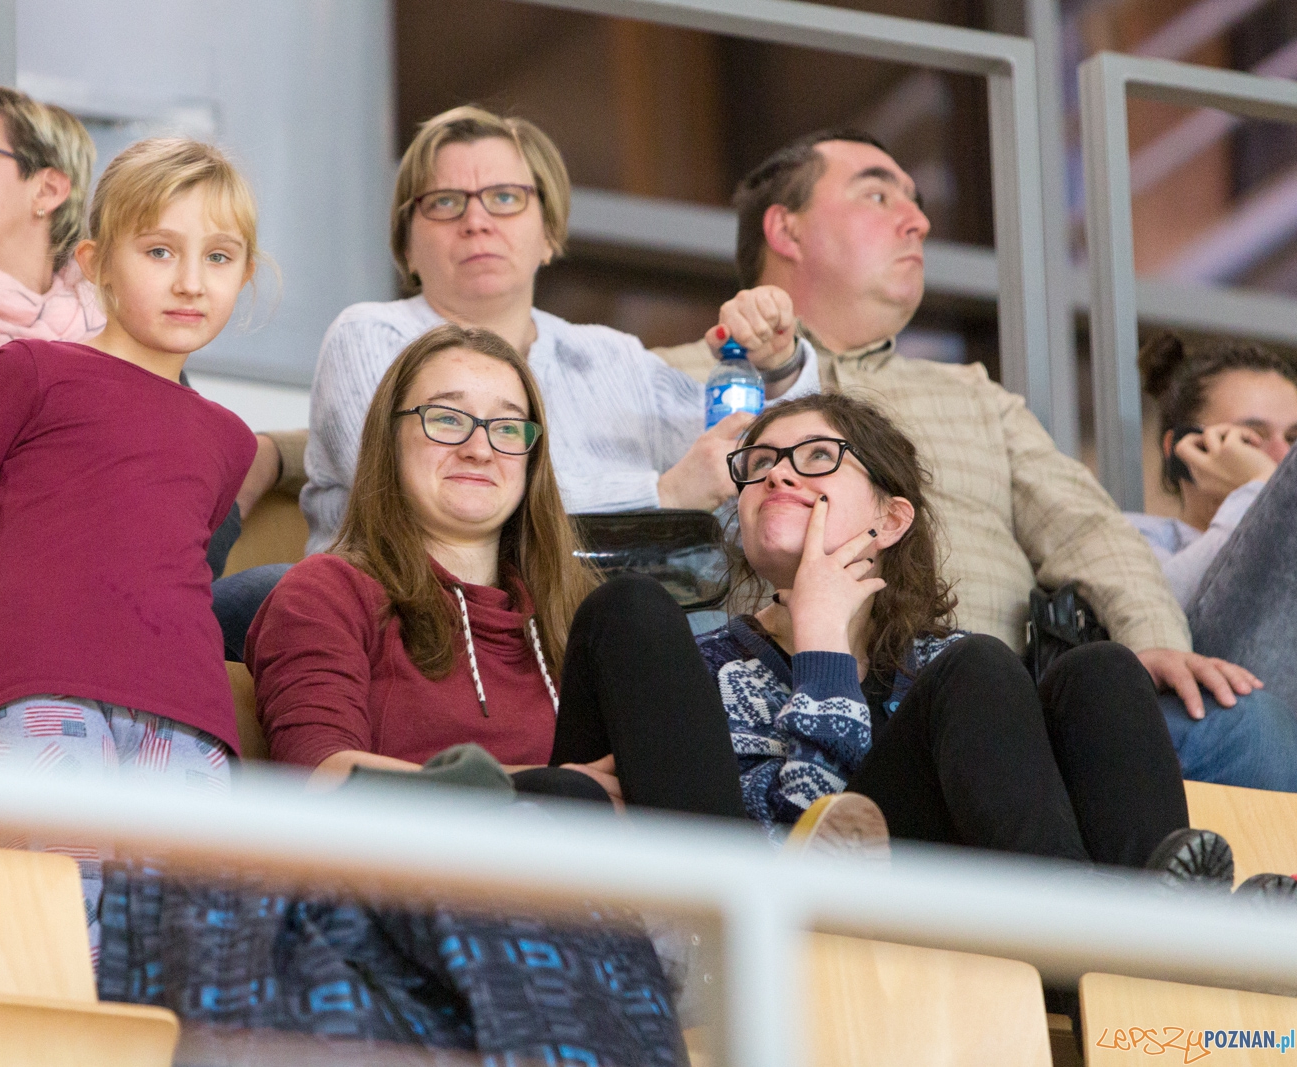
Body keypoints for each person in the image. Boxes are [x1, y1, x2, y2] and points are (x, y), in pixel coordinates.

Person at [660, 128, 1266, 748]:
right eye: (878, 196)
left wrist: (1153, 640)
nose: (918, 221)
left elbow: (1088, 531)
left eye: (916, 202)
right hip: (765, 711)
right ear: (786, 230)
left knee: (1242, 726)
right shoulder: (668, 380)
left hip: (991, 718)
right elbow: (620, 551)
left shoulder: (975, 394)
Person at [0, 138, 263, 952]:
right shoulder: (29, 372)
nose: (191, 281)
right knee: (62, 943)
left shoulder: (230, 439)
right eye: (159, 250)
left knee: (179, 962)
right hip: (43, 704)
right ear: (95, 263)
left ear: (245, 274)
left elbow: (167, 573)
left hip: (192, 724)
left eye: (219, 256)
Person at [698, 392, 1226, 878]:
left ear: (891, 519)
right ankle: (1104, 925)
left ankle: (1166, 928)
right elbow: (787, 852)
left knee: (1101, 671)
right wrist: (823, 653)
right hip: (837, 924)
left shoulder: (946, 667)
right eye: (759, 464)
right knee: (978, 665)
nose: (776, 475)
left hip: (989, 909)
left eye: (817, 456)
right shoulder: (707, 670)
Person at [0, 82, 290, 658]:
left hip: (146, 614)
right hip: (6, 620)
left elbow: (196, 528)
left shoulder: (141, 326)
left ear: (49, 188)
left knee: (294, 593)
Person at [248, 322, 748, 819]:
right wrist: (538, 786)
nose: (480, 449)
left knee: (633, 606)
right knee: (569, 795)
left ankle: (726, 871)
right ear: (390, 438)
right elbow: (321, 777)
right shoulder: (325, 592)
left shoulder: (578, 614)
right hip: (415, 856)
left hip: (586, 861)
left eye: (507, 428)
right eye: (447, 419)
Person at [299, 105, 813, 555]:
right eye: (445, 201)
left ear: (548, 232)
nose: (476, 220)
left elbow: (751, 470)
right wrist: (662, 494)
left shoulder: (611, 358)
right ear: (406, 245)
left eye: (504, 197)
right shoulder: (369, 337)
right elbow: (423, 493)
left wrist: (777, 367)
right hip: (404, 613)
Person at [1129, 332, 1297, 761]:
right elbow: (1166, 616)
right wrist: (1260, 493)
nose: (1281, 456)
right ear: (1181, 450)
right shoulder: (1133, 538)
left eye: (1294, 440)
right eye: (1251, 438)